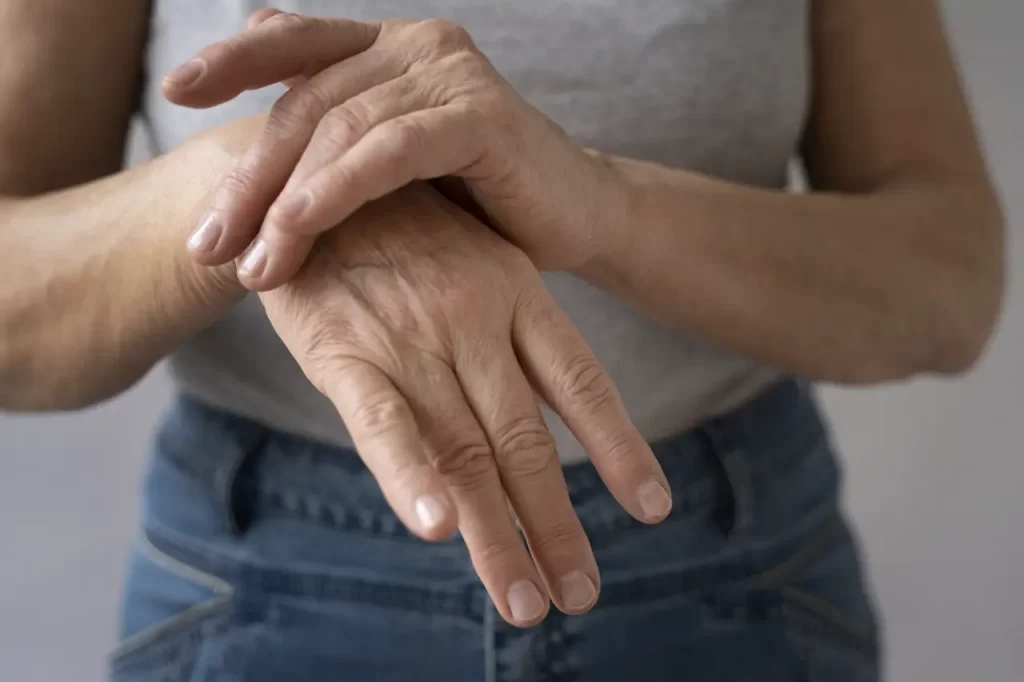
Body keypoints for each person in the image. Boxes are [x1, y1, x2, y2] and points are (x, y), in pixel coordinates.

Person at [0, 0, 1004, 680]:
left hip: (733, 573)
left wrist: (603, 205)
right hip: (270, 582)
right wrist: (276, 185)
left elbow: (947, 279)